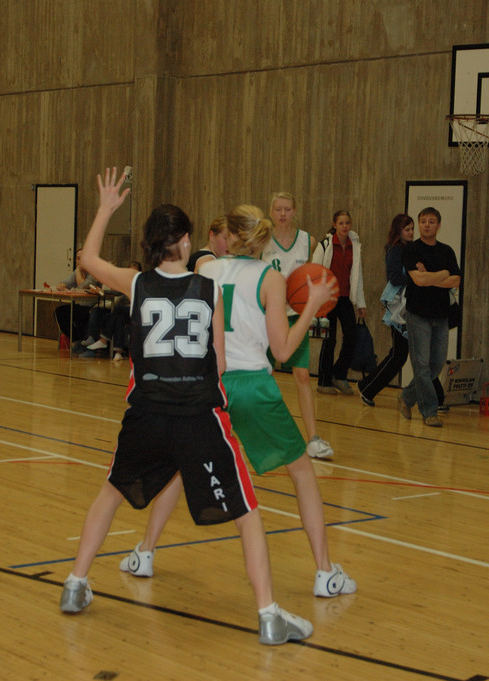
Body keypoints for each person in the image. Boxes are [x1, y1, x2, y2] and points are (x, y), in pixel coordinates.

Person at [60, 168, 313, 646]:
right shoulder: (207, 287)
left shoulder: (137, 283)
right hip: (199, 417)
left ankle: (75, 584)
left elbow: (88, 259)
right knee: (247, 512)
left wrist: (106, 208)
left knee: (110, 493)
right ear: (183, 242)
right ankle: (268, 615)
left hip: (146, 414)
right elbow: (219, 363)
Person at [117, 203, 355, 602]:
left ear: (227, 235)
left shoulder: (206, 271)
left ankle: (145, 552)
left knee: (178, 470)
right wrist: (311, 306)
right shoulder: (270, 278)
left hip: (210, 384)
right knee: (302, 473)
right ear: (261, 238)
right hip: (252, 387)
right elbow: (282, 350)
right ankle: (325, 572)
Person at [260, 192, 334, 458]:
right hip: (267, 316)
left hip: (296, 316)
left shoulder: (308, 240)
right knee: (263, 374)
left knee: (302, 375)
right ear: (271, 212)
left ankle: (313, 438)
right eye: (278, 209)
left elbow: (310, 278)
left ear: (295, 211)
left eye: (287, 209)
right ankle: (264, 431)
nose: (283, 214)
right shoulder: (262, 239)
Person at [398, 207, 460, 427]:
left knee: (436, 365)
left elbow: (456, 281)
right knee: (422, 366)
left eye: (431, 221)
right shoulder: (412, 250)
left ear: (438, 225)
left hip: (441, 315)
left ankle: (407, 396)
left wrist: (430, 277)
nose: (426, 225)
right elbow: (419, 281)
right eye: (423, 221)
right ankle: (429, 411)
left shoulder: (447, 251)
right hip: (418, 315)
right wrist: (443, 273)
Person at [356, 214, 414, 407]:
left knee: (413, 355)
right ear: (398, 231)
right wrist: (417, 277)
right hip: (399, 310)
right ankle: (367, 387)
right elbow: (395, 278)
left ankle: (367, 386)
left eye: (412, 229)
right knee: (398, 356)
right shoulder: (396, 250)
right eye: (407, 229)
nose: (411, 232)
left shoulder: (408, 248)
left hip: (408, 308)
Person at [313, 210, 366, 395]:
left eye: (347, 223)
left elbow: (357, 276)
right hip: (327, 298)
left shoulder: (354, 246)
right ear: (334, 224)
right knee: (330, 339)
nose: (344, 226)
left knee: (351, 336)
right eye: (341, 223)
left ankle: (339, 375)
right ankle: (324, 381)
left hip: (344, 298)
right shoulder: (325, 245)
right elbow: (314, 273)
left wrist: (361, 303)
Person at [80, 261, 142, 359]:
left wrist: (104, 291)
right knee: (118, 318)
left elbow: (120, 293)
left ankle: (103, 340)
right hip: (124, 312)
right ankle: (118, 352)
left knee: (117, 310)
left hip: (137, 312)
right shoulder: (123, 281)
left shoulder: (139, 283)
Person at [52, 249, 102, 351]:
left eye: (81, 259)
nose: (79, 262)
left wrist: (78, 269)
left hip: (93, 306)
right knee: (59, 312)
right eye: (78, 259)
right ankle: (76, 339)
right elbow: (66, 282)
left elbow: (82, 286)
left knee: (81, 316)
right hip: (81, 306)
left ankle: (84, 342)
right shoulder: (77, 272)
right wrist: (62, 285)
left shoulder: (94, 272)